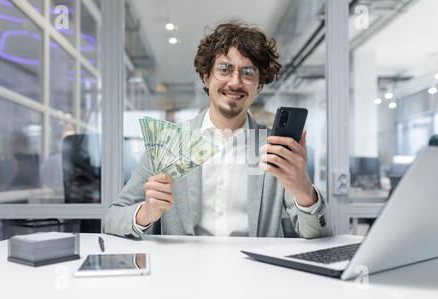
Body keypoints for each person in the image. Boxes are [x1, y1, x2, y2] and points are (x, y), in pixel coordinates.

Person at [104, 21, 332, 239]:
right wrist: (146, 212)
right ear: (206, 77)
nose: (235, 82)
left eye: (248, 73)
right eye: (224, 69)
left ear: (259, 85)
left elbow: (318, 234)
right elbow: (112, 219)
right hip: (183, 272)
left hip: (257, 275)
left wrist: (304, 190)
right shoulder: (169, 143)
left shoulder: (273, 149)